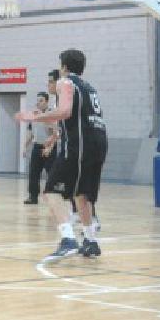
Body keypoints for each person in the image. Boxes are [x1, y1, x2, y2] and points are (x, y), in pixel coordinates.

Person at [16, 49, 107, 259]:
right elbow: (73, 117)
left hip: (79, 144)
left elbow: (65, 111)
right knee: (81, 193)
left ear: (64, 67)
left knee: (50, 191)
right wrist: (52, 130)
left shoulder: (65, 83)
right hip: (99, 142)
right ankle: (91, 241)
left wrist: (34, 117)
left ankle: (68, 239)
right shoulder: (90, 88)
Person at [45, 69, 100, 233]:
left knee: (66, 188)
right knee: (78, 188)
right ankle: (86, 225)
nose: (48, 85)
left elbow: (66, 117)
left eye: (50, 81)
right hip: (76, 145)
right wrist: (53, 139)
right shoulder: (68, 95)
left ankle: (87, 224)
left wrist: (40, 117)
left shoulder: (68, 90)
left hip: (77, 148)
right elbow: (63, 126)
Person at [23, 91, 57, 205]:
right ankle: (33, 196)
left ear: (47, 101)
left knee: (51, 174)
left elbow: (55, 133)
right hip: (37, 146)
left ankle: (52, 197)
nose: (38, 103)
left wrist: (50, 148)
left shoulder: (52, 114)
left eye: (41, 100)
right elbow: (30, 132)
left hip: (49, 147)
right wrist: (25, 146)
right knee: (33, 172)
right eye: (37, 100)